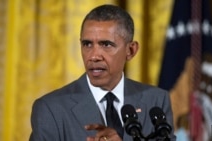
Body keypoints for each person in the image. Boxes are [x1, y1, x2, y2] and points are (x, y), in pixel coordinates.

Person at [29, 4, 176, 141]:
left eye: (106, 44)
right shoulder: (50, 109)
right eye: (87, 44)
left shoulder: (156, 101)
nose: (94, 56)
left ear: (130, 51)